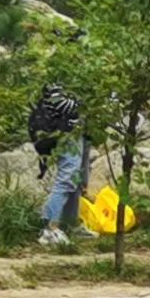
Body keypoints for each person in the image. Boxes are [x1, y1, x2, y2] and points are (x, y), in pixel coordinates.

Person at [29, 79, 88, 246]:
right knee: (66, 179)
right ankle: (50, 228)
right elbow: (59, 103)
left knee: (75, 181)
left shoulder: (80, 74)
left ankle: (70, 224)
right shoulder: (60, 73)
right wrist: (86, 104)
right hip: (67, 135)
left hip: (78, 133)